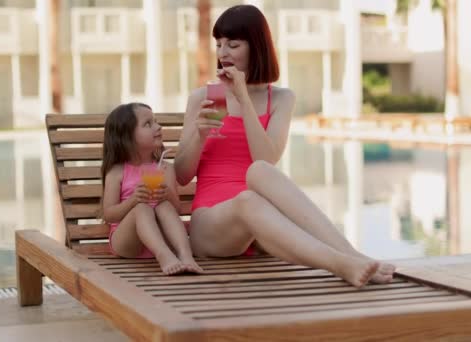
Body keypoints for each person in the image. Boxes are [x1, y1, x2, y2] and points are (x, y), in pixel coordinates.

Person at [174, 5, 394, 287]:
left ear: (256, 47)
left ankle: (354, 255)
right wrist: (197, 136)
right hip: (213, 225)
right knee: (247, 199)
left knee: (260, 172)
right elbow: (180, 175)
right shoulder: (201, 98)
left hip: (261, 225)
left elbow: (266, 158)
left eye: (233, 44)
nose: (222, 53)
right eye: (219, 44)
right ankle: (340, 264)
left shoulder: (280, 99)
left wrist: (243, 100)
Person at [101, 102, 203, 275]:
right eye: (148, 124)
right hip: (127, 243)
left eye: (155, 121)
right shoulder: (117, 171)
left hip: (163, 238)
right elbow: (109, 214)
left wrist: (167, 194)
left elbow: (175, 209)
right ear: (127, 136)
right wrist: (133, 200)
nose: (158, 127)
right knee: (142, 208)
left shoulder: (165, 168)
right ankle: (163, 256)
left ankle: (185, 255)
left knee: (164, 205)